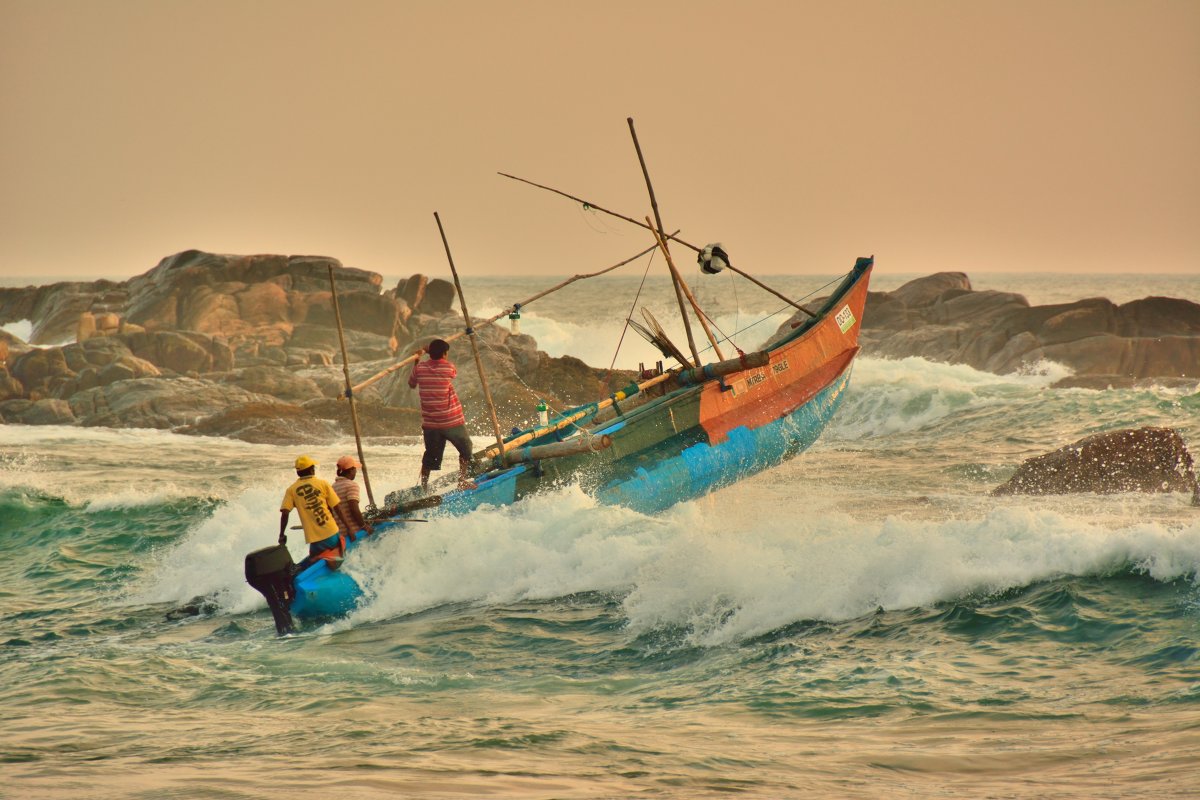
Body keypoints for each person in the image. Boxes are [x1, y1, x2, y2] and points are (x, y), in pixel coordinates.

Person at [408, 338, 475, 491]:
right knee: (466, 449)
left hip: (431, 424)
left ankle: (424, 487)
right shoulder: (448, 368)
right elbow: (453, 373)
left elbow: (412, 383)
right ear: (445, 354)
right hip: (451, 421)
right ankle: (462, 480)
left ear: (430, 354)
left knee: (430, 457)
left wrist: (418, 357)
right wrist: (428, 351)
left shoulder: (419, 369)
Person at [279, 455, 353, 570]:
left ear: (298, 473)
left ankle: (301, 574)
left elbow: (285, 513)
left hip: (314, 540)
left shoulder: (291, 490)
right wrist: (349, 528)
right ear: (312, 470)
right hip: (331, 533)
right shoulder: (323, 484)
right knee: (338, 556)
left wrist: (282, 534)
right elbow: (337, 508)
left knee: (312, 561)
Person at [332, 455, 373, 541]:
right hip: (354, 533)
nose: (356, 471)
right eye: (355, 469)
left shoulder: (332, 487)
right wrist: (364, 526)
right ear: (350, 470)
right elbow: (353, 508)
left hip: (339, 534)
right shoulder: (351, 485)